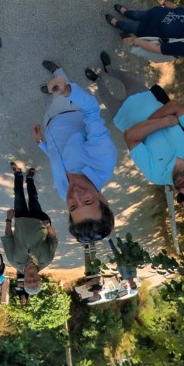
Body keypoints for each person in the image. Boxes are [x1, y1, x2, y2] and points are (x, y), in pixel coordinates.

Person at [85, 54, 184, 215]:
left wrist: (166, 121)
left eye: (181, 198)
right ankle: (109, 69)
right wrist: (144, 129)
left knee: (105, 95)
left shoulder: (156, 176)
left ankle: (98, 80)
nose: (182, 190)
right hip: (143, 96)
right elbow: (175, 106)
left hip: (121, 116)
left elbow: (130, 137)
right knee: (125, 77)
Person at [34, 61, 116, 244]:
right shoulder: (103, 160)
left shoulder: (65, 192)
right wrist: (67, 91)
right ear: (103, 199)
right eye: (87, 201)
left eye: (72, 207)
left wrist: (42, 144)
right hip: (69, 108)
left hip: (50, 123)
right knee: (61, 87)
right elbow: (92, 111)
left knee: (54, 95)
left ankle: (54, 91)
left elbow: (59, 160)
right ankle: (58, 72)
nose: (75, 194)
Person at [105, 1, 184, 61]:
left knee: (128, 26)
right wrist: (174, 7)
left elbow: (156, 48)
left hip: (145, 29)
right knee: (135, 14)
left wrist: (135, 41)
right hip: (155, 13)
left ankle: (116, 23)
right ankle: (125, 12)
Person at [2, 163, 58, 294]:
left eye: (29, 281)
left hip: (20, 219)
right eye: (35, 281)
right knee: (33, 198)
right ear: (39, 279)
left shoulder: (13, 260)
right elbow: (53, 239)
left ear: (24, 281)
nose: (32, 278)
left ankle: (18, 174)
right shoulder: (47, 260)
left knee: (18, 195)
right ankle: (30, 179)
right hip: (39, 220)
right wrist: (48, 226)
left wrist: (9, 220)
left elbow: (8, 238)